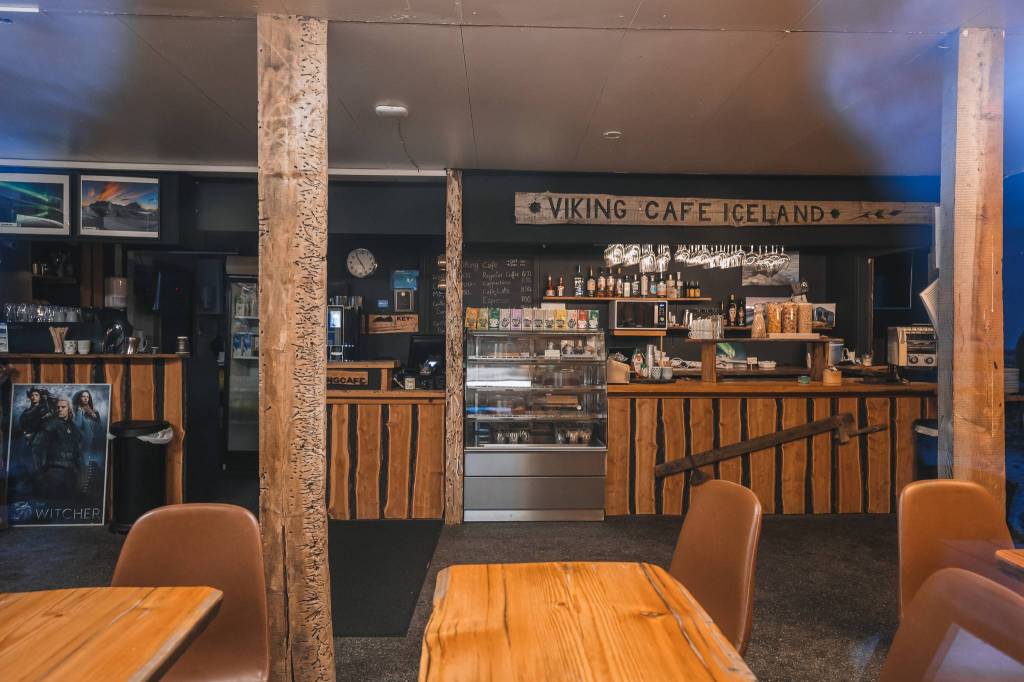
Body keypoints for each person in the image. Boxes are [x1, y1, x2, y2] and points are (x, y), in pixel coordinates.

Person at [31, 398, 84, 503]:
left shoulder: (74, 428)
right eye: (57, 407)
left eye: (63, 407)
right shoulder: (50, 425)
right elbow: (36, 448)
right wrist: (39, 474)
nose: (59, 409)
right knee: (54, 505)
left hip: (72, 474)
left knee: (71, 505)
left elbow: (79, 453)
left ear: (69, 409)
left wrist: (81, 475)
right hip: (54, 473)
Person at [71, 389, 103, 454]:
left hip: (93, 440)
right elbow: (77, 425)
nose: (86, 398)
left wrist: (93, 414)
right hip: (79, 440)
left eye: (87, 397)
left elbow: (99, 426)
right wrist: (79, 412)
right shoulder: (74, 410)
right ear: (79, 397)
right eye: (83, 396)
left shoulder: (94, 411)